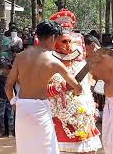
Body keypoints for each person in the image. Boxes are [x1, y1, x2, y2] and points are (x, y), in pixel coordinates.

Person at [5, 20, 82, 154]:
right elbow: (76, 85)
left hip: (22, 107)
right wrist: (77, 90)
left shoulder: (20, 56)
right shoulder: (54, 61)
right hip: (40, 108)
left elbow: (8, 86)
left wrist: (13, 102)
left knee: (25, 148)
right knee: (46, 148)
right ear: (53, 38)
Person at [48, 9, 102, 153]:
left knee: (90, 150)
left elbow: (89, 84)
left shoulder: (80, 63)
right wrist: (62, 87)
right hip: (59, 114)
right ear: (56, 44)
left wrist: (90, 103)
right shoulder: (48, 63)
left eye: (70, 41)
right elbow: (42, 89)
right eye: (64, 41)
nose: (68, 45)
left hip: (82, 114)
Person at [0, 63, 14, 138]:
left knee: (11, 115)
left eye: (7, 69)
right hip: (2, 97)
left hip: (10, 98)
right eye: (3, 68)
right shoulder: (0, 77)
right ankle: (1, 131)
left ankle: (10, 131)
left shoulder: (12, 77)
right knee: (1, 115)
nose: (5, 70)